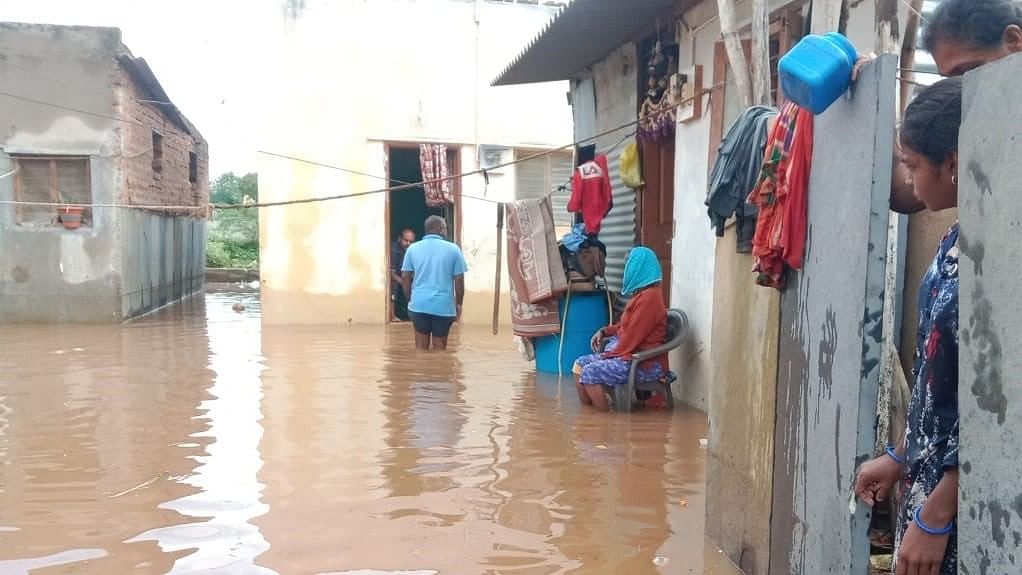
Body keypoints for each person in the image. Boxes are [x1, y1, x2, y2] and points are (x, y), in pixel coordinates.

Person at [854, 77, 963, 575]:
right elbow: (936, 386)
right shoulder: (953, 246)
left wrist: (940, 512)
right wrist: (899, 457)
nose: (911, 179)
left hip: (965, 506)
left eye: (914, 166)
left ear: (953, 164)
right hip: (929, 492)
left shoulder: (1000, 262)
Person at [867, 0, 1022, 214]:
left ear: (1014, 40)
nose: (960, 90)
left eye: (968, 72)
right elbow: (905, 194)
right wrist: (869, 95)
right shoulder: (982, 121)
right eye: (949, 80)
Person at [572, 247, 667, 412]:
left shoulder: (650, 298)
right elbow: (625, 327)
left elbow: (632, 337)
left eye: (630, 265)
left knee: (589, 373)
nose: (627, 270)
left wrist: (607, 356)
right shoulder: (641, 295)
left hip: (645, 364)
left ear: (640, 268)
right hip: (627, 355)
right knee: (578, 366)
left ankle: (605, 422)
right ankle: (589, 416)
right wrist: (604, 331)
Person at [401, 215, 467, 351]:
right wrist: (459, 304)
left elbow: (405, 277)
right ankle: (438, 371)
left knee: (420, 349)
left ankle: (423, 371)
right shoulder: (454, 249)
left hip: (418, 305)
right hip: (443, 307)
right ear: (441, 230)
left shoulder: (412, 249)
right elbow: (459, 280)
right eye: (446, 228)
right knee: (440, 350)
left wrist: (410, 299)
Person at [390, 228, 416, 322]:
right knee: (392, 285)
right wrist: (404, 283)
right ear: (399, 239)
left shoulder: (415, 251)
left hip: (408, 277)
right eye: (406, 240)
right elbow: (391, 273)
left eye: (411, 241)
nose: (408, 244)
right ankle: (392, 315)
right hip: (396, 277)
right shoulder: (393, 250)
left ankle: (417, 315)